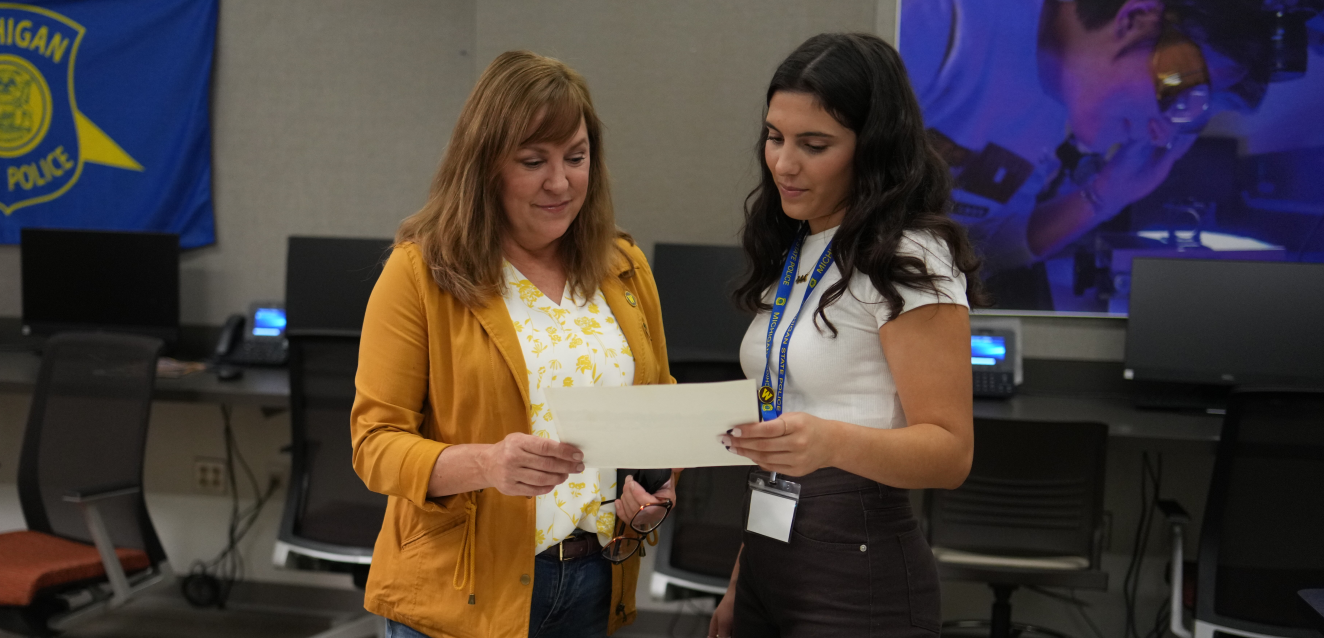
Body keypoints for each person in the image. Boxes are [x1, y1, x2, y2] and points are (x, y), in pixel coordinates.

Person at [351, 51, 677, 638]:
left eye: (576, 158)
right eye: (533, 161)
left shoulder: (623, 266)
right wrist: (486, 464)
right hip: (462, 592)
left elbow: (658, 410)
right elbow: (374, 445)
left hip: (594, 580)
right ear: (485, 167)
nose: (561, 181)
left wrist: (658, 488)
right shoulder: (420, 273)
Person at [708, 34, 984, 637]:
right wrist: (741, 577)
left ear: (873, 149)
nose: (783, 163)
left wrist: (831, 443)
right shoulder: (799, 243)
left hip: (859, 570)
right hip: (770, 556)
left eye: (815, 144)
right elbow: (791, 414)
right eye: (775, 136)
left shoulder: (911, 255)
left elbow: (950, 452)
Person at [900, 0, 1275, 309]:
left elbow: (984, 251)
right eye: (1183, 97)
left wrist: (1107, 195)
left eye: (1195, 118)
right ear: (1134, 19)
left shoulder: (1051, 110)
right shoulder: (937, 23)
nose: (1163, 132)